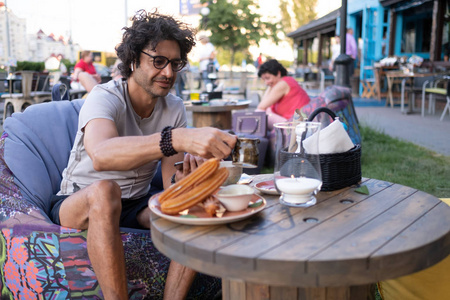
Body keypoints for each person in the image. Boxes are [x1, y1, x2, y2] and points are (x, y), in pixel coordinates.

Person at [50, 9, 237, 300]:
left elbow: (169, 184)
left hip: (135, 204)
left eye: (175, 63)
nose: (169, 73)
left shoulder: (173, 107)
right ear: (134, 60)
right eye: (158, 61)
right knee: (105, 191)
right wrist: (176, 138)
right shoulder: (105, 96)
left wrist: (185, 179)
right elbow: (101, 154)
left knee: (195, 211)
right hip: (79, 198)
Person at [256, 59, 310, 130]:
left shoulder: (282, 84)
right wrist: (270, 85)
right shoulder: (287, 80)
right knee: (265, 111)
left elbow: (261, 107)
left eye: (268, 78)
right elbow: (264, 104)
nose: (266, 82)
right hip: (295, 122)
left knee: (259, 113)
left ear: (278, 74)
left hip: (294, 124)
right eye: (264, 79)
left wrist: (270, 86)